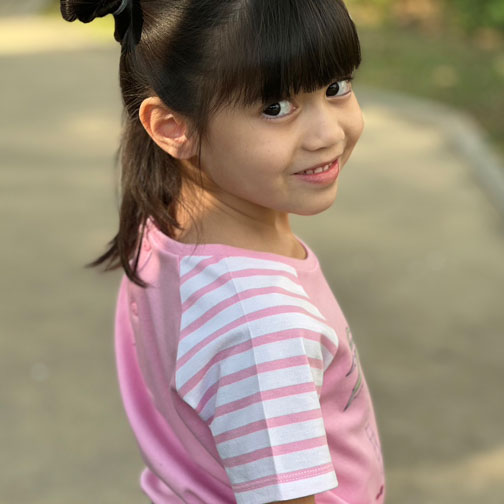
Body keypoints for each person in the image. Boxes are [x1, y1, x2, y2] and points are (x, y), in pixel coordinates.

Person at [61, 0, 386, 502]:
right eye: (275, 108)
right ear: (172, 127)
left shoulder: (166, 228)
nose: (329, 134)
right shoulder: (262, 326)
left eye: (336, 87)